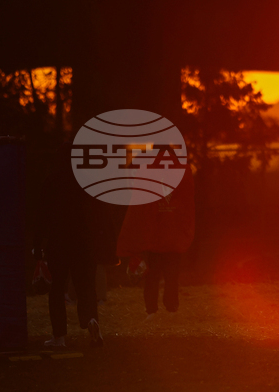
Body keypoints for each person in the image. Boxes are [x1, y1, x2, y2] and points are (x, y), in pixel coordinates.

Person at [39, 143, 103, 348]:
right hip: (84, 244)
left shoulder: (52, 181)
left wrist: (37, 246)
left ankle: (59, 337)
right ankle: (91, 320)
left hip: (59, 243)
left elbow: (42, 217)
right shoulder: (87, 182)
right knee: (86, 287)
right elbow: (97, 215)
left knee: (56, 290)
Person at [117, 167, 195, 321]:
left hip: (155, 239)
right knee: (171, 276)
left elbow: (141, 210)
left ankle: (152, 310)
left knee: (152, 277)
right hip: (172, 239)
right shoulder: (180, 174)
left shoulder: (150, 175)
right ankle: (171, 308)